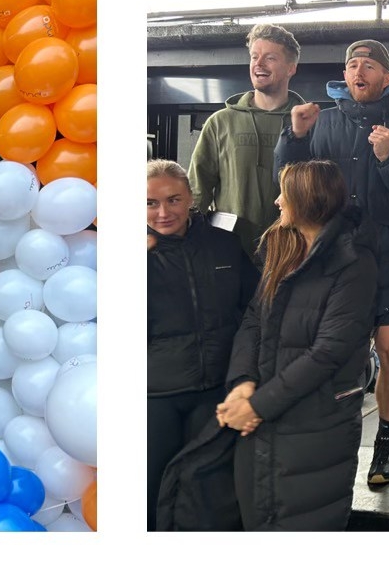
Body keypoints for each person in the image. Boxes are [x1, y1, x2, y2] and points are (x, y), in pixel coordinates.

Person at [275, 38, 389, 486]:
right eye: (353, 64)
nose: (359, 71)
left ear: (386, 78)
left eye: (369, 65)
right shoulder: (323, 121)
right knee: (337, 352)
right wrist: (294, 137)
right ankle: (334, 445)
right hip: (333, 255)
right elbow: (292, 185)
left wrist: (388, 157)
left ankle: (386, 446)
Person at [217, 159, 378, 529]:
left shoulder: (355, 262)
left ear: (308, 200)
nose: (276, 202)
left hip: (315, 423)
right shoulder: (281, 246)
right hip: (264, 418)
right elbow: (254, 319)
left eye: (284, 194)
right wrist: (241, 383)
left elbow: (329, 352)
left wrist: (258, 406)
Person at [146, 158, 258, 529]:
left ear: (190, 196)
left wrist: (246, 376)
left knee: (207, 501)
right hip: (154, 396)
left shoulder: (225, 245)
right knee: (148, 494)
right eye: (150, 203)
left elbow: (254, 312)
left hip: (216, 392)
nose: (163, 212)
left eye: (173, 200)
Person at [188, 22, 310, 257]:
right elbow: (197, 191)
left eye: (270, 58)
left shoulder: (310, 121)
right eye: (254, 57)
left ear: (291, 68)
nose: (259, 64)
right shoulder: (220, 122)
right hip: (229, 253)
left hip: (293, 254)